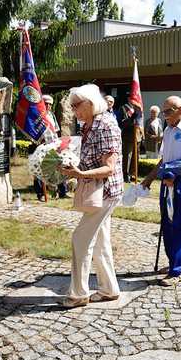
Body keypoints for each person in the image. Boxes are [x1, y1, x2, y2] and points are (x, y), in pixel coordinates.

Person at [58, 84, 124, 308]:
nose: (74, 110)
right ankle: (109, 289)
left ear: (91, 102)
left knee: (80, 239)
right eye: (72, 106)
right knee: (100, 242)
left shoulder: (105, 125)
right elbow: (88, 157)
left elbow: (109, 168)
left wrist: (80, 173)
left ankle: (78, 294)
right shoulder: (90, 124)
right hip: (98, 190)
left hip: (105, 191)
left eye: (77, 105)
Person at [141, 96, 181, 287]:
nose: (165, 115)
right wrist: (149, 178)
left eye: (168, 111)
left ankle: (175, 271)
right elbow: (163, 159)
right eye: (164, 111)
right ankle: (175, 262)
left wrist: (176, 174)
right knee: (167, 224)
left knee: (178, 225)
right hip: (167, 182)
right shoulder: (168, 130)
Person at [119, 102, 142, 182]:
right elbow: (122, 123)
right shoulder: (124, 108)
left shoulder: (138, 107)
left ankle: (133, 174)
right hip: (128, 135)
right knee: (127, 156)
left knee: (135, 157)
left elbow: (140, 120)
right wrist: (131, 118)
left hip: (138, 135)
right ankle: (126, 175)